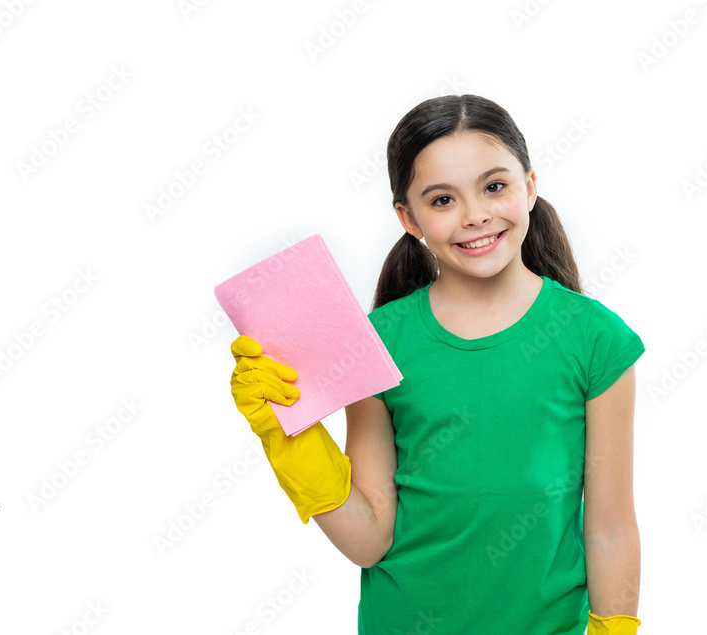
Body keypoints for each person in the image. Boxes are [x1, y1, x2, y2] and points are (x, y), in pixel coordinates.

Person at [229, 94, 645, 634]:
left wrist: (615, 628)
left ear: (531, 185)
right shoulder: (379, 342)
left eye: (495, 186)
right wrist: (290, 439)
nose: (475, 216)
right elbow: (369, 538)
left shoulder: (595, 339)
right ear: (409, 217)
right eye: (442, 199)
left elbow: (610, 527)